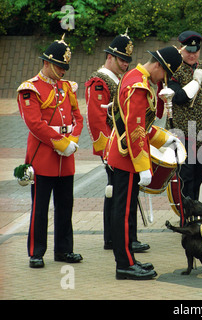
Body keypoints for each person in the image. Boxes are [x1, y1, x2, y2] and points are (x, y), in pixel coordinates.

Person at [105, 46, 183, 280]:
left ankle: (128, 259)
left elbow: (143, 127)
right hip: (128, 157)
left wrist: (163, 139)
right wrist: (144, 167)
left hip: (125, 154)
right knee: (124, 212)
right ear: (158, 66)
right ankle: (125, 264)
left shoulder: (136, 77)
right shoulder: (139, 85)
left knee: (125, 211)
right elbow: (135, 129)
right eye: (165, 75)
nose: (164, 81)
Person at [17, 35, 84, 268]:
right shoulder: (30, 89)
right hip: (44, 157)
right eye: (59, 66)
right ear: (47, 63)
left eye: (65, 68)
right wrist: (62, 144)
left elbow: (77, 117)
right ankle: (36, 252)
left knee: (66, 205)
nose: (63, 72)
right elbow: (35, 124)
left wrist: (73, 139)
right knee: (40, 207)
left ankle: (64, 250)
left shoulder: (66, 87)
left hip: (66, 159)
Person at [85, 31, 149, 252]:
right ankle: (115, 238)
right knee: (117, 195)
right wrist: (104, 152)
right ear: (109, 57)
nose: (125, 64)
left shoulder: (119, 79)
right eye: (121, 59)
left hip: (124, 146)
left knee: (124, 196)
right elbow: (96, 120)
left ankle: (125, 237)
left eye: (127, 60)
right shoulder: (99, 81)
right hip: (113, 148)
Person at [166, 31, 202, 203]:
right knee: (186, 178)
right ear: (181, 49)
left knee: (199, 175)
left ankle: (196, 214)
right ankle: (186, 218)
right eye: (188, 50)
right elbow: (179, 97)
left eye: (195, 50)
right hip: (183, 134)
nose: (192, 54)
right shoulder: (173, 70)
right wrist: (195, 82)